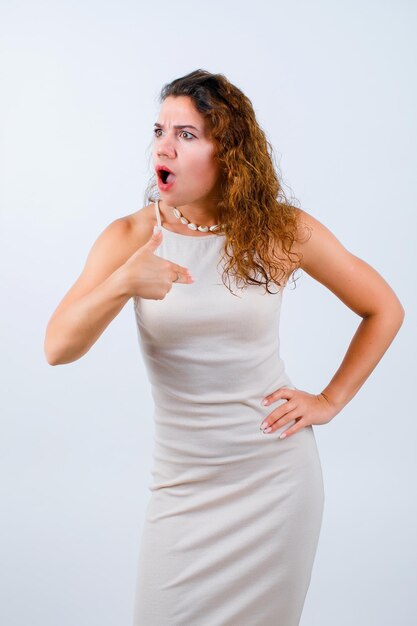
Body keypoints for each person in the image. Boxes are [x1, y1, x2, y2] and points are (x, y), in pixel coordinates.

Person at [44, 69, 405, 625]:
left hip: (275, 483)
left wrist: (330, 401)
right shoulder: (130, 236)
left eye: (186, 134)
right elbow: (56, 347)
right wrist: (122, 282)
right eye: (160, 130)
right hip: (183, 488)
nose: (163, 145)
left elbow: (384, 308)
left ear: (228, 152)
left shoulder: (281, 231)